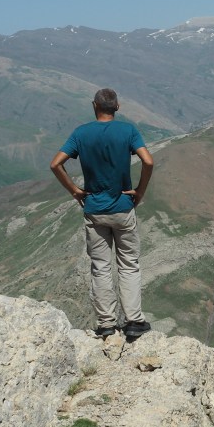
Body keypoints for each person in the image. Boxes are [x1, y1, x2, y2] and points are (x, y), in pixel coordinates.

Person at [50, 88, 154, 341]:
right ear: (117, 107)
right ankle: (134, 321)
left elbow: (56, 164)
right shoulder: (128, 131)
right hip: (123, 208)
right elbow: (148, 161)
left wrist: (75, 190)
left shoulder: (81, 133)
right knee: (128, 264)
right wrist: (140, 191)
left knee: (101, 267)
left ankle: (106, 324)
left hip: (95, 210)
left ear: (94, 105)